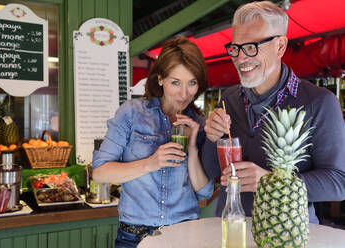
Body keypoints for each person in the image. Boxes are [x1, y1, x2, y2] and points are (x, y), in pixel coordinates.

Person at [202, 1, 345, 224]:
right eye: (236, 48)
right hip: (231, 226)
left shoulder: (320, 102)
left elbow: (338, 183)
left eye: (251, 47)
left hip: (288, 232)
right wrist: (211, 139)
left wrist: (271, 182)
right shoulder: (228, 98)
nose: (240, 58)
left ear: (280, 46)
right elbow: (213, 172)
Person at [92, 36, 213, 248]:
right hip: (135, 238)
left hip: (186, 235)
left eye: (192, 83)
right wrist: (150, 163)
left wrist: (192, 147)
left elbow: (204, 191)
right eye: (175, 82)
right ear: (160, 79)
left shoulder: (199, 123)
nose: (184, 94)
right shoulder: (131, 113)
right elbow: (101, 173)